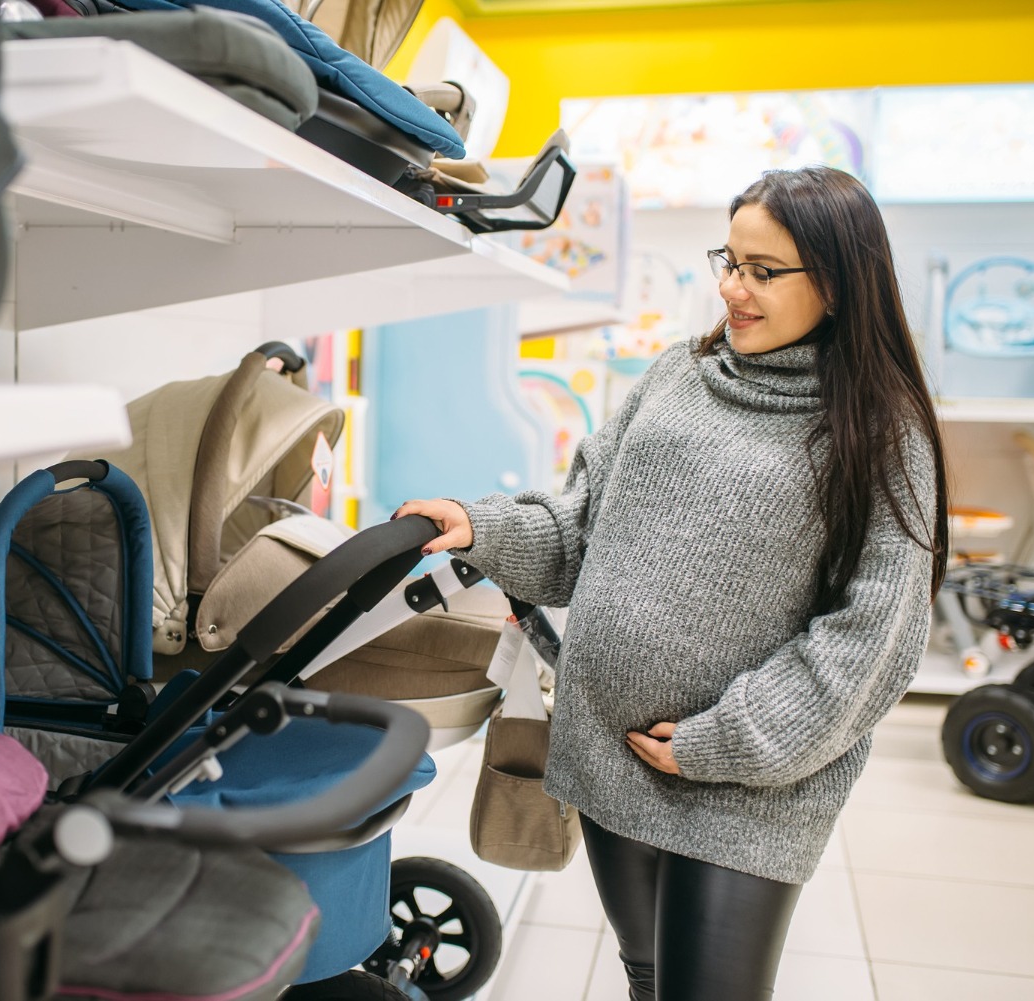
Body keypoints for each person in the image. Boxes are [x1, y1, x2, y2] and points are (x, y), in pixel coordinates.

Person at [395, 165, 948, 1001]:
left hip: (745, 785)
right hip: (615, 755)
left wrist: (720, 743)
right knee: (648, 976)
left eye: (764, 271)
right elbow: (580, 524)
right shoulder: (676, 376)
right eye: (730, 260)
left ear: (838, 281)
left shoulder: (880, 429)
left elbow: (871, 641)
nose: (733, 287)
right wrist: (485, 527)